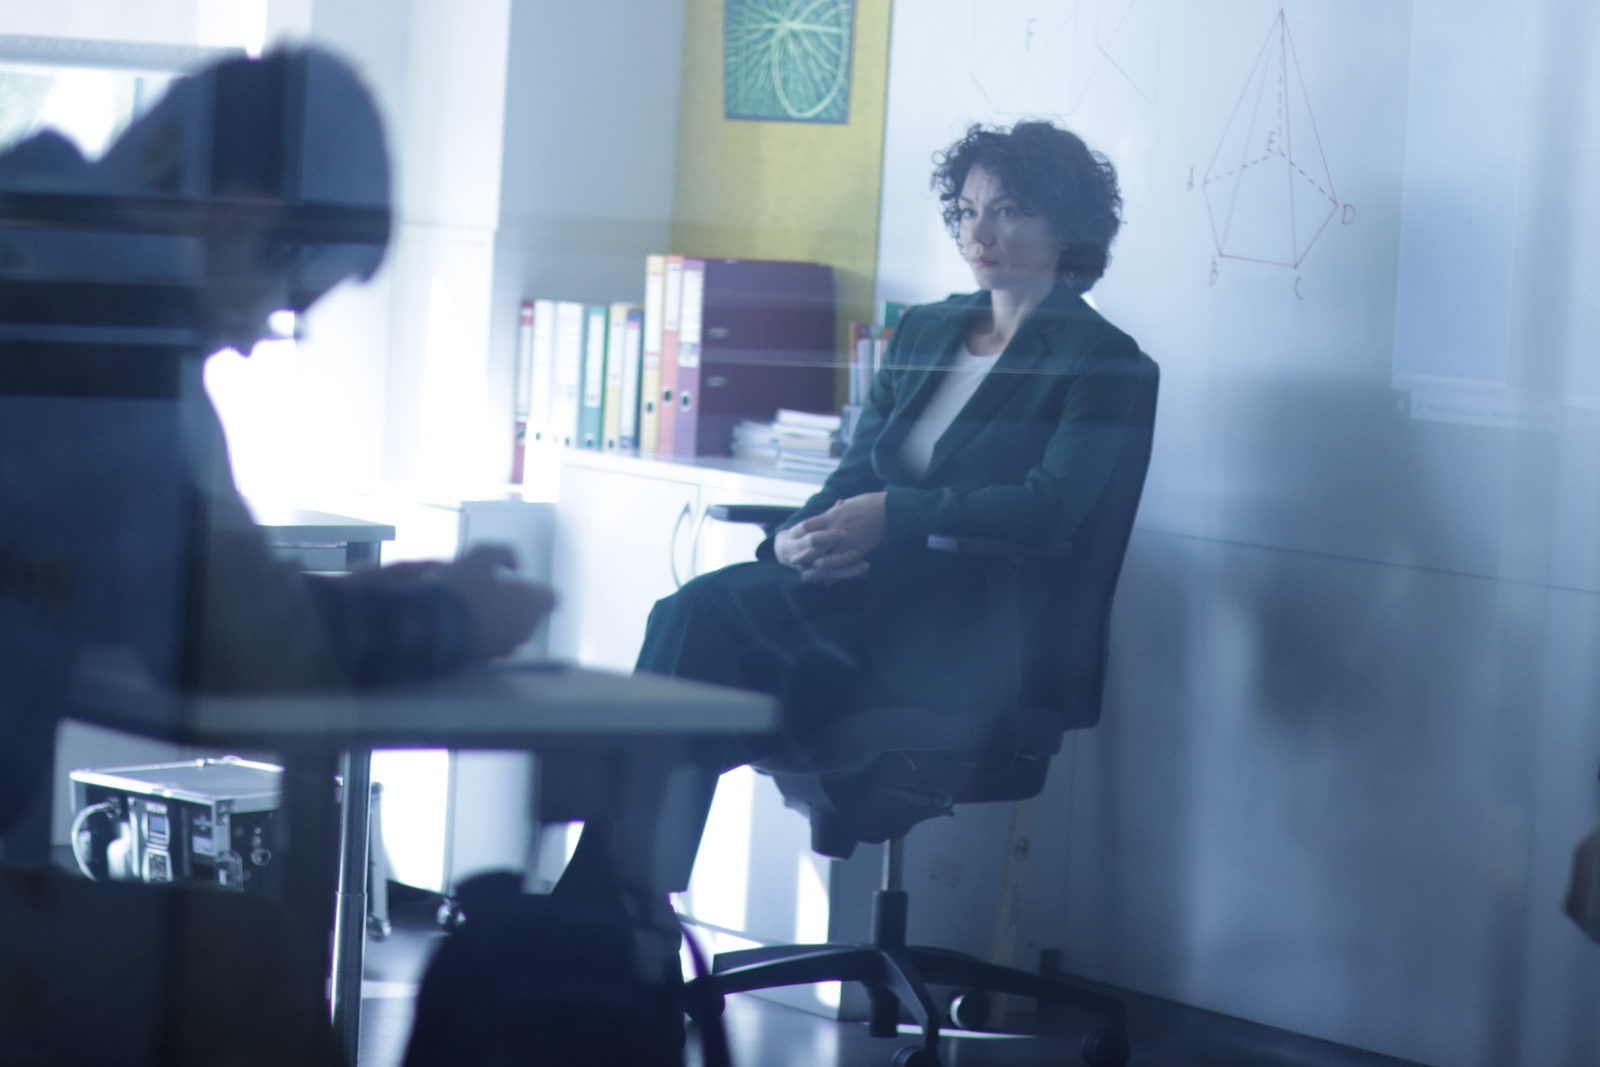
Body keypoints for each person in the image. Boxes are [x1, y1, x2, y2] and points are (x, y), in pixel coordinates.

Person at [557, 119, 1157, 897]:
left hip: (963, 632)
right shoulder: (927, 329)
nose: (979, 232)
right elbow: (851, 478)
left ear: (1067, 224)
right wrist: (790, 541)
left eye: (1007, 210)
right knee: (689, 629)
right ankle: (617, 905)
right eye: (967, 210)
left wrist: (896, 514)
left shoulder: (1100, 359)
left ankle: (607, 909)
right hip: (855, 598)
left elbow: (1050, 509)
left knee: (698, 645)